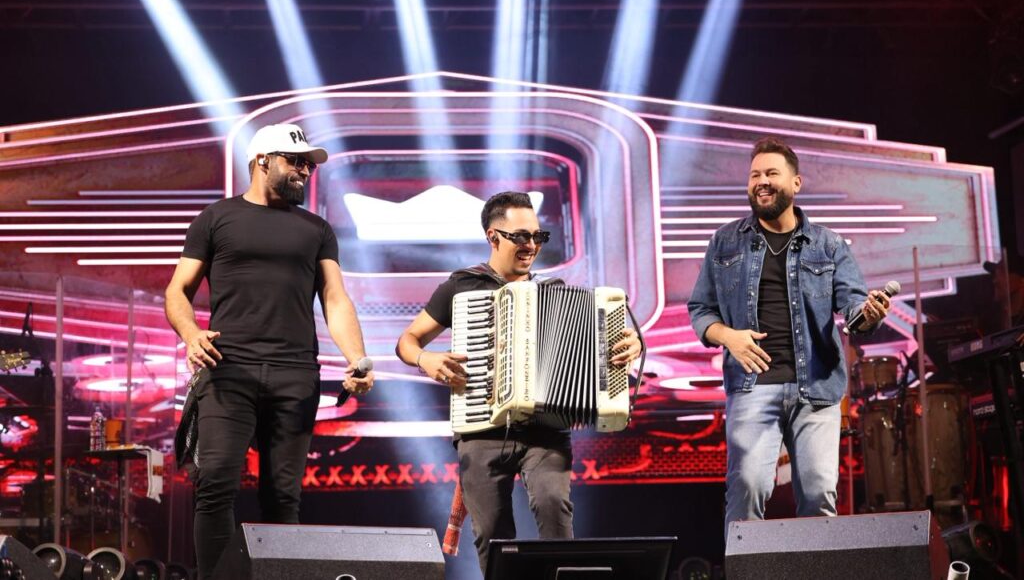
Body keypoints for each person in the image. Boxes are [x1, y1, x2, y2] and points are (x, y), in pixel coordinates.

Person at [164, 123, 373, 579]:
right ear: (262, 161)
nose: (305, 171)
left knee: (282, 497)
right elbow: (177, 291)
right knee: (215, 484)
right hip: (227, 368)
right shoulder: (216, 218)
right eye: (295, 161)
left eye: (308, 165)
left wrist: (357, 358)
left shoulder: (316, 229)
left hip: (295, 374)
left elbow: (335, 298)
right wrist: (191, 334)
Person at [395, 191, 642, 573]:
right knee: (492, 534)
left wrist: (629, 343)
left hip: (545, 429)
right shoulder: (463, 287)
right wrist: (425, 358)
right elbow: (407, 341)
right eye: (521, 237)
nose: (531, 246)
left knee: (553, 506)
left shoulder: (555, 292)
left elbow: (596, 351)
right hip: (481, 428)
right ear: (493, 237)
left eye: (537, 237)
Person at [687, 137, 891, 536]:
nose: (761, 182)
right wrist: (729, 336)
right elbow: (700, 309)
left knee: (818, 496)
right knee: (747, 490)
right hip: (751, 387)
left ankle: (816, 568)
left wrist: (868, 314)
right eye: (754, 175)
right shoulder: (725, 242)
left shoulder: (828, 244)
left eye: (771, 173)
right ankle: (746, 568)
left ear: (796, 183)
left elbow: (854, 308)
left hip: (816, 387)